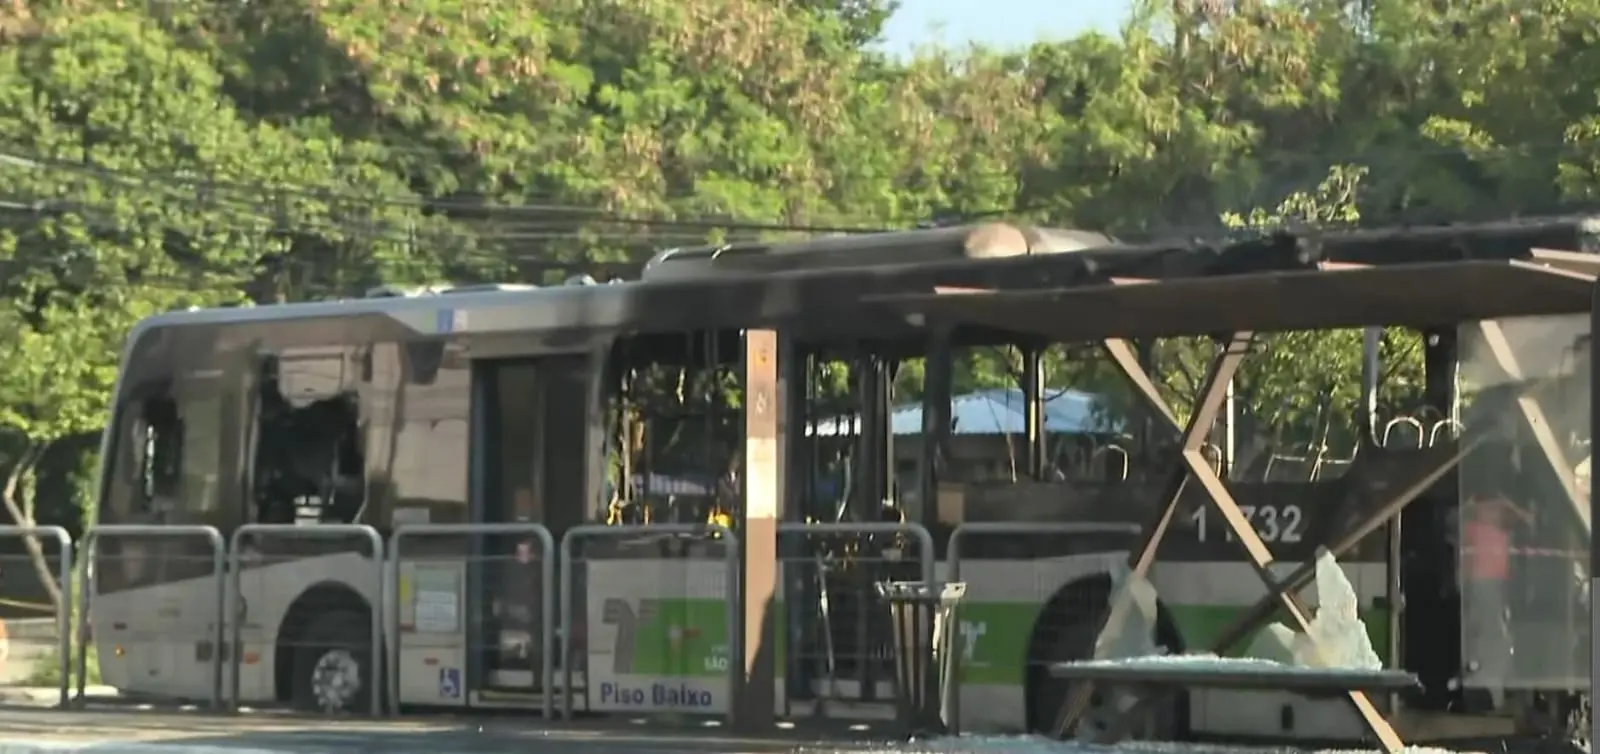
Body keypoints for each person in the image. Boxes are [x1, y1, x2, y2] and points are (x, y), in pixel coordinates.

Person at [1460, 486, 1533, 708]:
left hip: (1498, 587)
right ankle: (1486, 693)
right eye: (1491, 509)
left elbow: (1528, 520)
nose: (1496, 514)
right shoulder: (1472, 529)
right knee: (1491, 640)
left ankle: (1492, 693)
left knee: (1496, 640)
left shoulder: (1502, 534)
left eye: (1497, 510)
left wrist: (1507, 504)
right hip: (1481, 587)